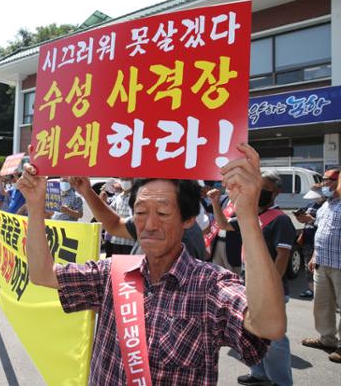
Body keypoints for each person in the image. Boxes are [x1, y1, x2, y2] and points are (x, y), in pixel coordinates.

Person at [18, 143, 285, 385]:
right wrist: (35, 204)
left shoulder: (210, 286)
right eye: (141, 213)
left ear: (188, 220)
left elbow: (269, 326)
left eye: (164, 213)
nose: (150, 225)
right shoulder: (112, 273)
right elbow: (42, 274)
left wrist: (247, 214)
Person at [212, 170, 295, 385]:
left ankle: (281, 381)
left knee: (275, 339)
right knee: (251, 333)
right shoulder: (251, 215)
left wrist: (272, 288)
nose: (259, 194)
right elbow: (224, 225)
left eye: (264, 190)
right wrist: (214, 201)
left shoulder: (280, 220)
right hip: (250, 284)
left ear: (276, 193)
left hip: (270, 290)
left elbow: (283, 256)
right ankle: (259, 373)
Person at [302, 168, 341, 364]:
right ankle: (327, 339)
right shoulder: (326, 205)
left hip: (340, 264)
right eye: (324, 180)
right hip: (323, 262)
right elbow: (321, 230)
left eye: (328, 180)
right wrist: (315, 255)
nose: (324, 184)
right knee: (322, 305)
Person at [294, 186, 326, 298]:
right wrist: (300, 217)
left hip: (320, 241)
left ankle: (322, 291)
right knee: (308, 266)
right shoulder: (310, 205)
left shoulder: (326, 206)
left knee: (321, 267)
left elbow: (325, 223)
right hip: (307, 239)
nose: (315, 199)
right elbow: (303, 218)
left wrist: (312, 220)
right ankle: (310, 289)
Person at [107, 178, 135, 256]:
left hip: (130, 240)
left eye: (127, 179)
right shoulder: (118, 197)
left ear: (132, 182)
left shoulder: (135, 197)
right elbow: (110, 212)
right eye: (122, 180)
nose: (124, 182)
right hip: (116, 240)